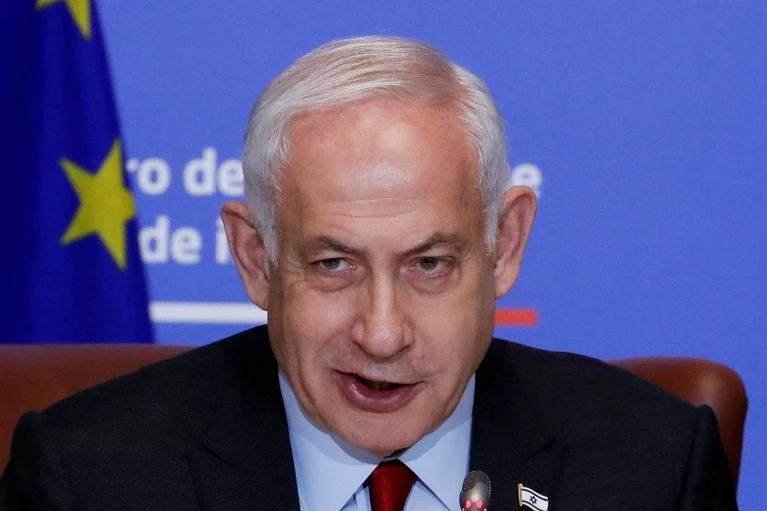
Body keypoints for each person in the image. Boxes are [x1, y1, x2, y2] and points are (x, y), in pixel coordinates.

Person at [0, 36, 737, 511]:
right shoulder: (90, 478)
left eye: (429, 264)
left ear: (504, 245)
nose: (382, 335)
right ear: (256, 258)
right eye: (333, 264)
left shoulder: (652, 467)